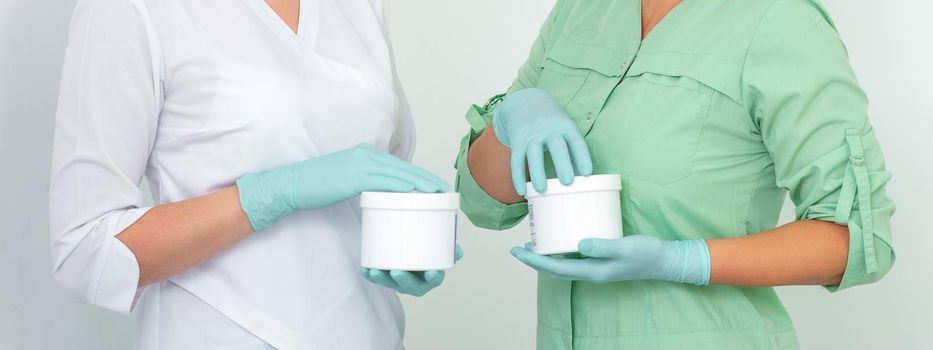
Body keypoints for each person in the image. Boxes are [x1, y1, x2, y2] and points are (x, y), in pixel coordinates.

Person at [457, 0, 895, 349]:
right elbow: (483, 201)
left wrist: (684, 260)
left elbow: (858, 240)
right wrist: (512, 117)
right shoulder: (579, 11)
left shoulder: (780, 21)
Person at [48, 0, 457, 348]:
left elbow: (385, 170)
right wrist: (269, 194)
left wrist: (407, 246)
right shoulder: (134, 10)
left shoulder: (360, 7)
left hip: (371, 333)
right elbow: (85, 249)